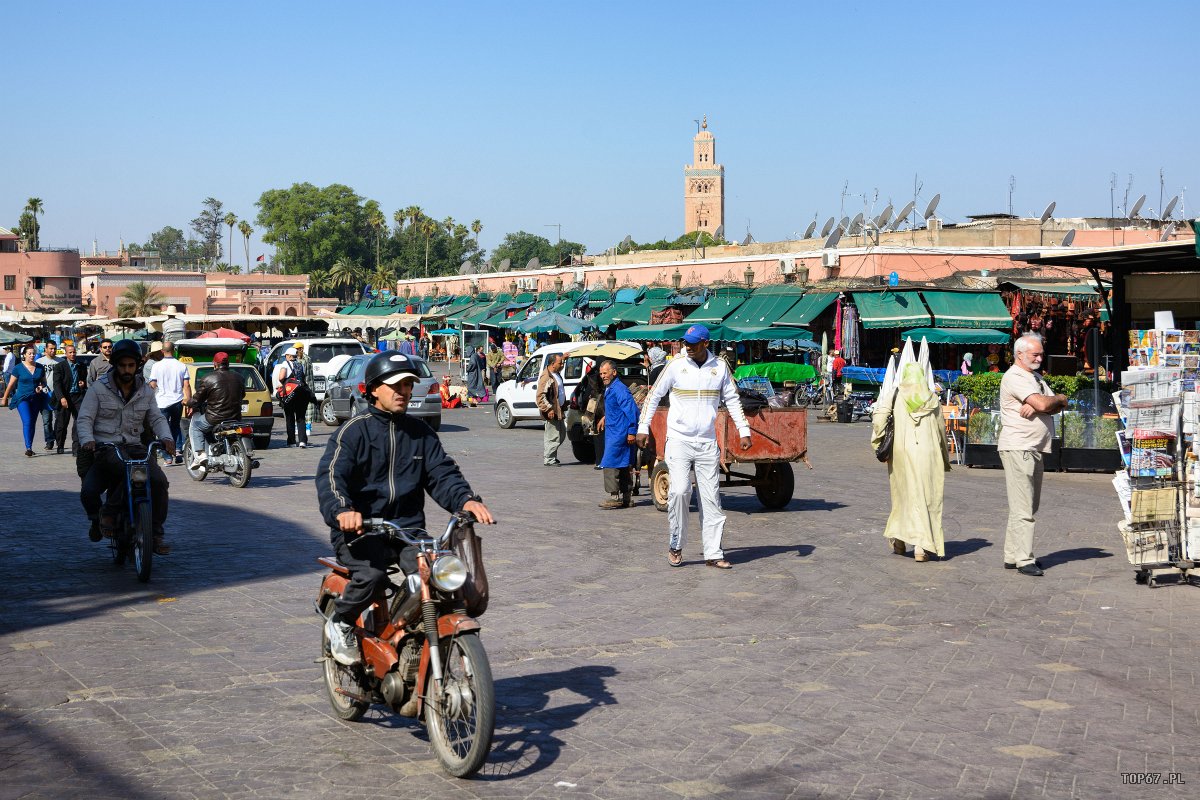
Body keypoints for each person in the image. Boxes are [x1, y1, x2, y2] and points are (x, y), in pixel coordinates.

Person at [316, 351, 495, 666]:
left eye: (409, 385)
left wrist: (465, 499)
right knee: (370, 576)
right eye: (395, 385)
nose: (404, 392)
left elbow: (442, 475)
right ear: (373, 389)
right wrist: (343, 510)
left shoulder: (421, 434)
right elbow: (332, 477)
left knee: (437, 575)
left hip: (407, 530)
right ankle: (341, 622)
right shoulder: (353, 432)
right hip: (360, 531)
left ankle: (413, 637)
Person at [636, 325, 751, 570]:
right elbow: (654, 395)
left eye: (693, 343)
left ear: (705, 344)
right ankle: (676, 544)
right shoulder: (676, 365)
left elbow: (731, 398)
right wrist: (643, 427)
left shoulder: (719, 367)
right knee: (679, 491)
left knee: (711, 499)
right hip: (678, 440)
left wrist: (744, 430)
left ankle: (713, 552)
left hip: (708, 442)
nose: (688, 346)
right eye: (686, 342)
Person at [77, 340, 175, 552]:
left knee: (158, 481)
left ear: (137, 365)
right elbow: (84, 418)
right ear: (115, 365)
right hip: (106, 448)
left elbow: (156, 418)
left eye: (131, 366)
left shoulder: (145, 391)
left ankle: (155, 534)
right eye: (123, 366)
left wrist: (167, 438)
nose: (127, 370)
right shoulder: (98, 388)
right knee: (89, 491)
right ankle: (105, 515)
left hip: (135, 447)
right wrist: (88, 440)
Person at [871, 341, 951, 563]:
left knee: (903, 498)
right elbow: (941, 430)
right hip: (929, 454)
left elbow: (879, 419)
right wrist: (944, 457)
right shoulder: (931, 397)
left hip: (901, 454)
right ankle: (920, 547)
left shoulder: (895, 394)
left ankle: (900, 542)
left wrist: (877, 442)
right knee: (926, 499)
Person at [998, 333, 1068, 577]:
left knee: (1026, 504)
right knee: (1024, 507)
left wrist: (1054, 400)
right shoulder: (1015, 376)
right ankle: (1024, 559)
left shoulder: (1035, 377)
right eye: (1034, 354)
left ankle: (1011, 554)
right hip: (1020, 446)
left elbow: (1055, 405)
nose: (1040, 358)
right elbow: (1044, 404)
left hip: (1033, 447)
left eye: (1040, 354)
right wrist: (1048, 402)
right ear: (1020, 355)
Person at [187, 351, 246, 468]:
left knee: (196, 426)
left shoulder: (208, 378)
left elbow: (197, 399)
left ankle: (200, 454)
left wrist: (187, 402)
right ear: (228, 364)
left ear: (215, 364)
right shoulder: (239, 377)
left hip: (214, 418)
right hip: (235, 417)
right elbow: (242, 394)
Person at [597, 360, 639, 509]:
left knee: (609, 462)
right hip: (614, 430)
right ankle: (627, 497)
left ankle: (614, 496)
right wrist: (606, 417)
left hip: (619, 432)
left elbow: (632, 410)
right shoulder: (611, 388)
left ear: (614, 372)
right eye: (601, 373)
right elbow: (616, 408)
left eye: (605, 373)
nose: (603, 376)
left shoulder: (619, 389)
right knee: (622, 464)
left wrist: (632, 431)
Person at [1, 344, 49, 457]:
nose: (32, 355)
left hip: (36, 399)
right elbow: (11, 384)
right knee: (27, 421)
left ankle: (30, 447)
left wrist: (41, 387)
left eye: (33, 353)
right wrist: (4, 398)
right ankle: (28, 447)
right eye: (29, 353)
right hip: (22, 399)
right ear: (24, 355)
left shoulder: (40, 367)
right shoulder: (18, 368)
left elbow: (44, 382)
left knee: (32, 423)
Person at [149, 340, 191, 465]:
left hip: (162, 402)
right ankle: (177, 450)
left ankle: (167, 456)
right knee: (175, 426)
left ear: (162, 351)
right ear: (174, 351)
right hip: (178, 401)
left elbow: (153, 384)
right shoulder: (181, 365)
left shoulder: (156, 366)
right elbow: (186, 385)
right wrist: (187, 400)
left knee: (163, 428)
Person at [51, 342, 88, 455]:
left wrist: (83, 384)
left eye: (74, 352)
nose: (72, 354)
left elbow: (84, 380)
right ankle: (60, 445)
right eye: (70, 352)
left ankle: (76, 448)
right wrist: (61, 398)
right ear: (66, 354)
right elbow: (56, 384)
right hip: (65, 397)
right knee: (62, 423)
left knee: (78, 422)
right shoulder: (59, 367)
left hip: (78, 397)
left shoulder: (81, 365)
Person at [274, 347, 310, 447]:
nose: (285, 357)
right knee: (301, 418)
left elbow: (281, 377)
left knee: (289, 417)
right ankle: (303, 441)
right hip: (302, 393)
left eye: (286, 355)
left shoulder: (285, 364)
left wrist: (284, 384)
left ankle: (292, 441)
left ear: (289, 356)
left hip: (290, 394)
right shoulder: (300, 363)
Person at [536, 353, 566, 466]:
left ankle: (551, 455)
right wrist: (548, 409)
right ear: (553, 364)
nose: (562, 364)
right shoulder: (546, 377)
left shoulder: (555, 373)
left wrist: (564, 358)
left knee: (561, 434)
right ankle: (549, 459)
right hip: (551, 412)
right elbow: (540, 397)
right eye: (560, 363)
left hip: (558, 410)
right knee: (553, 435)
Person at [35, 341, 61, 451]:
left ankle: (59, 440)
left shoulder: (61, 361)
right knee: (47, 420)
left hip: (58, 394)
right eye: (50, 348)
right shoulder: (39, 362)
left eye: (54, 348)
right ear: (45, 349)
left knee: (59, 419)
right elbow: (35, 378)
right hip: (45, 395)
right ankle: (49, 441)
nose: (53, 350)